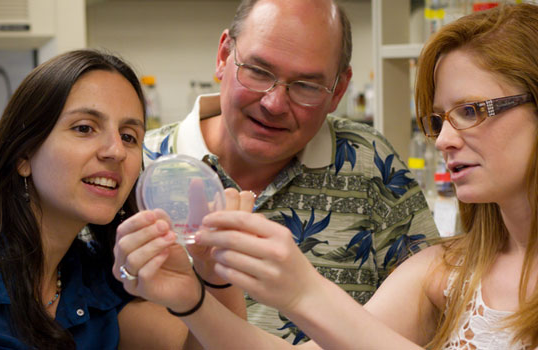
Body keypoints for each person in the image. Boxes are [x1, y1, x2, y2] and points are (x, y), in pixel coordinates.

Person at [114, 3, 538, 349]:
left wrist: (304, 291)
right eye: (438, 120)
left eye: (472, 110)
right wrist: (193, 300)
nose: (443, 141)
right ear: (224, 56)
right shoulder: (449, 268)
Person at [141, 0, 438, 341]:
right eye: (258, 71)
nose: (274, 103)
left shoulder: (370, 163)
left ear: (339, 90)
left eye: (306, 87)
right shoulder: (141, 166)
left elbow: (432, 307)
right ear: (224, 56)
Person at [0, 49, 248, 349]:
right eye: (84, 128)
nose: (116, 151)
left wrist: (215, 273)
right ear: (23, 155)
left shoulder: (102, 278)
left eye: (129, 136)